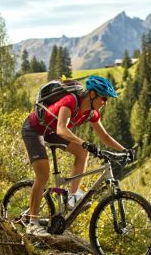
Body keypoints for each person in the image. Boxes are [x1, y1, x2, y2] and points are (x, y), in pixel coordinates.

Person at [21, 75, 129, 236]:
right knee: (43, 175)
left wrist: (125, 150)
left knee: (82, 152)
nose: (105, 103)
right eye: (104, 98)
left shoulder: (92, 113)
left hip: (51, 130)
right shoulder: (70, 101)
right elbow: (62, 130)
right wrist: (84, 142)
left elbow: (104, 136)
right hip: (34, 129)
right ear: (92, 94)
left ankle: (72, 196)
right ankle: (32, 223)